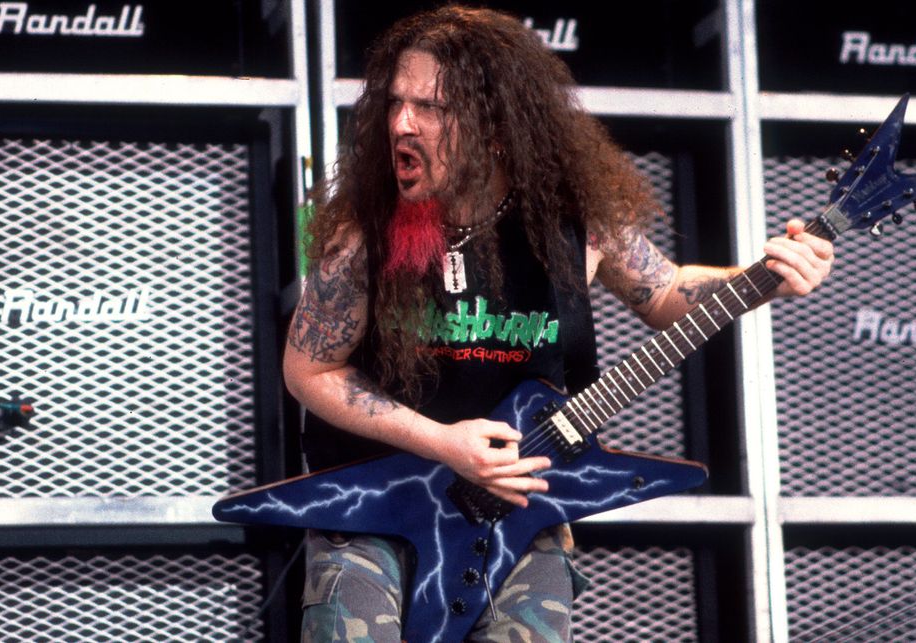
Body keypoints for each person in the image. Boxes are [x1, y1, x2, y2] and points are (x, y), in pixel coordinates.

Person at [282, 6, 833, 641]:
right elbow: (309, 370)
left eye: (430, 108)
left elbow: (665, 294)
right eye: (395, 103)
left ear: (494, 123)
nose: (401, 124)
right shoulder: (364, 234)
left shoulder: (572, 221)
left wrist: (766, 276)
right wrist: (443, 443)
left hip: (519, 510)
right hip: (374, 508)